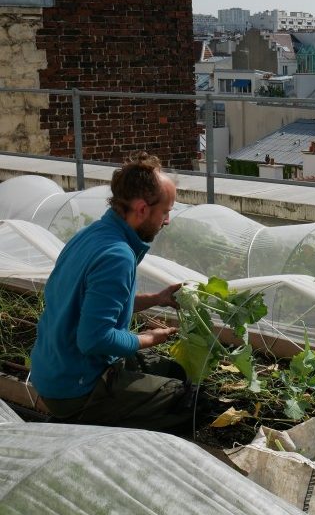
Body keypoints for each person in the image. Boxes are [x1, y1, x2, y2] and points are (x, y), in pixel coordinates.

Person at [30, 151, 194, 431]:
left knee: (173, 372)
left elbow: (92, 305)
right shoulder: (117, 256)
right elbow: (94, 339)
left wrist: (157, 299)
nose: (167, 221)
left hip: (54, 368)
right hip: (75, 388)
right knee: (185, 402)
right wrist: (148, 339)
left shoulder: (93, 234)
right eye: (165, 212)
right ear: (142, 209)